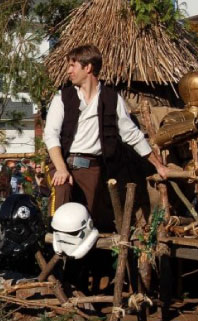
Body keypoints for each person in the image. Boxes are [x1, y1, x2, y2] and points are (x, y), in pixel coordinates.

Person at [43, 44, 169, 229]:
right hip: (60, 163)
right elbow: (50, 134)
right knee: (63, 193)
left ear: (88, 68)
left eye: (73, 65)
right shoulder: (62, 97)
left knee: (88, 218)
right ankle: (58, 247)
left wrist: (158, 165)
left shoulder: (111, 98)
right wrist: (62, 168)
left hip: (92, 170)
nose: (68, 71)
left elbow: (132, 135)